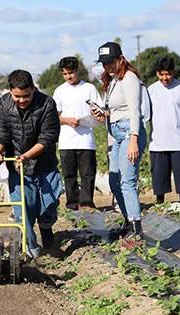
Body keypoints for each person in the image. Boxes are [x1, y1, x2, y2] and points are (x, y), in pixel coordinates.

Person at [0, 69, 62, 259]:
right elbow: (1, 133)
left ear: (33, 88)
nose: (22, 100)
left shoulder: (46, 104)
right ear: (10, 91)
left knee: (49, 204)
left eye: (26, 96)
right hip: (18, 168)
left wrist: (27, 156)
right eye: (17, 96)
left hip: (44, 165)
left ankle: (46, 226)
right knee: (24, 211)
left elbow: (48, 137)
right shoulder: (4, 104)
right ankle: (31, 252)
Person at [93, 41, 147, 238]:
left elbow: (134, 111)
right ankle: (127, 220)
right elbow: (118, 111)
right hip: (117, 134)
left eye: (110, 62)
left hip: (128, 134)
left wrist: (134, 141)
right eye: (104, 63)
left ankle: (135, 227)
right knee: (113, 181)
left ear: (121, 59)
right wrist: (104, 114)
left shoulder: (129, 78)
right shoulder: (114, 80)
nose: (106, 66)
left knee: (127, 182)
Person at [53, 56, 102, 210]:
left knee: (88, 174)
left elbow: (99, 111)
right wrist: (67, 120)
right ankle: (72, 204)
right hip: (67, 140)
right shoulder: (60, 91)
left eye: (71, 73)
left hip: (86, 140)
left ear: (77, 71)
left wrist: (96, 114)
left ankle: (87, 204)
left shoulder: (89, 88)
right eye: (65, 74)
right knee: (69, 175)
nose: (69, 77)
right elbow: (54, 116)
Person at [148, 55, 180, 204]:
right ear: (157, 73)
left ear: (174, 72)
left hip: (179, 141)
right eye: (161, 74)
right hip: (158, 141)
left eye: (168, 74)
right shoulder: (151, 90)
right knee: (159, 174)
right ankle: (160, 202)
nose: (165, 77)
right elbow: (146, 114)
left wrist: (177, 124)